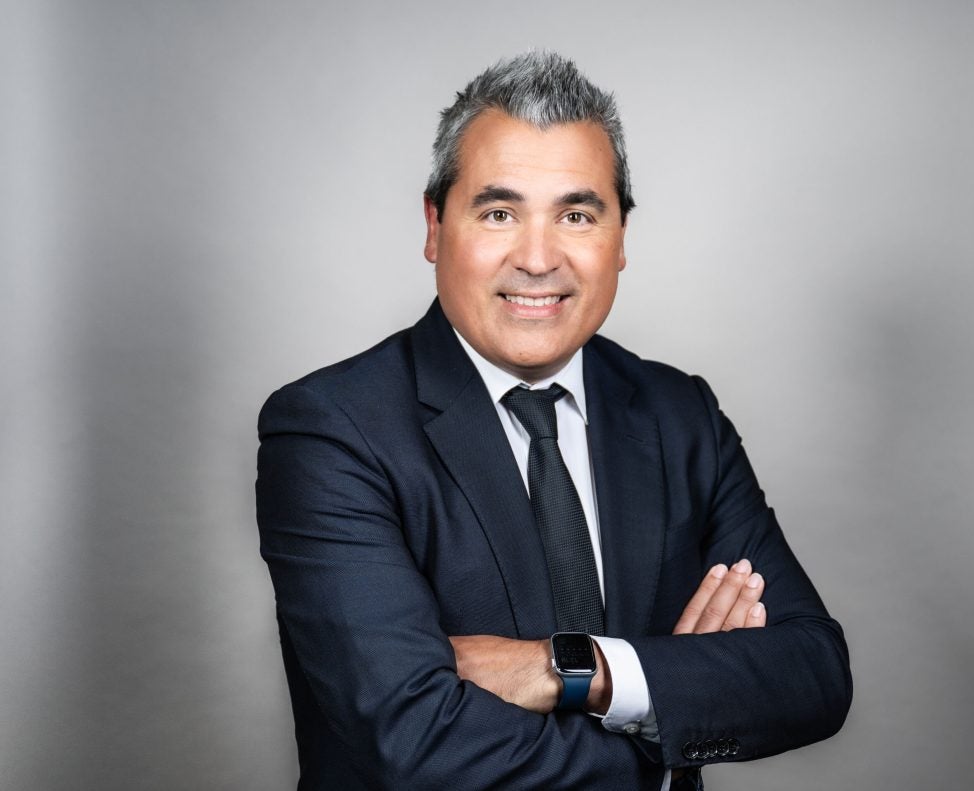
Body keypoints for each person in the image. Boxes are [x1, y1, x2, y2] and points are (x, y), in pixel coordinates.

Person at [256, 51, 851, 790]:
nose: (538, 259)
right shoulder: (331, 430)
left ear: (621, 236)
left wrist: (578, 669)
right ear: (435, 225)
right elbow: (412, 742)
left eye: (576, 215)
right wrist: (669, 713)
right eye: (499, 213)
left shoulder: (680, 415)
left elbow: (813, 671)